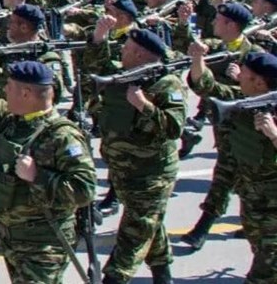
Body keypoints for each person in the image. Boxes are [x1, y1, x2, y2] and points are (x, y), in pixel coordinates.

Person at [0, 37, 97, 284]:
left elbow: (85, 189)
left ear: (27, 93)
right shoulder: (14, 121)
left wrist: (37, 176)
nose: (4, 90)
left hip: (44, 243)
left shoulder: (63, 135)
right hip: (12, 236)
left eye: (9, 86)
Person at [84, 26, 185, 284]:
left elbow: (173, 128)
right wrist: (98, 39)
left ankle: (114, 279)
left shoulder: (167, 83)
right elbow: (95, 67)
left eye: (127, 48)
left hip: (152, 175)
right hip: (123, 172)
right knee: (148, 224)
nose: (121, 51)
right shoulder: (122, 74)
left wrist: (143, 106)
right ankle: (163, 276)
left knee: (134, 233)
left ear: (140, 55)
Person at [187, 48, 277, 282]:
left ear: (259, 83)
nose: (237, 76)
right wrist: (197, 59)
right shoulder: (243, 101)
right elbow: (205, 86)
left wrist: (274, 134)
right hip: (253, 205)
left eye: (243, 75)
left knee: (263, 274)